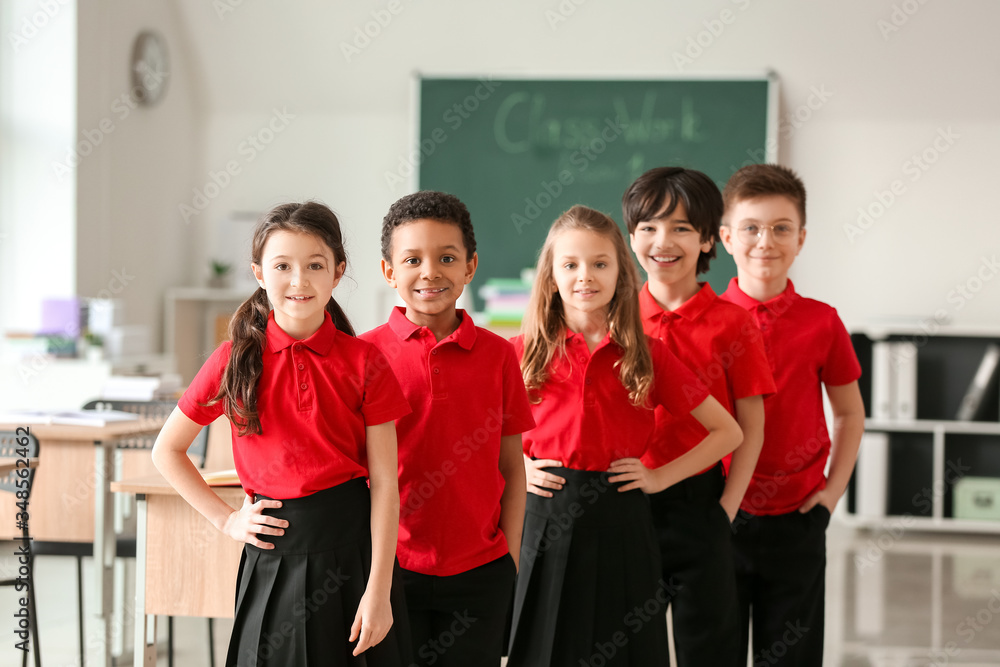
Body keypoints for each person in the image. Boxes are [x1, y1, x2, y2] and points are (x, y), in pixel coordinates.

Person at [151, 201, 413, 666]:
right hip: (273, 553)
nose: (299, 280)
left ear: (338, 272)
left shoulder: (366, 362)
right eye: (282, 266)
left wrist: (379, 591)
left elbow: (387, 485)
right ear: (258, 273)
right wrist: (227, 520)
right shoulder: (234, 360)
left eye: (315, 265)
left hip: (353, 553)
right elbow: (167, 451)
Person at [507, 205, 742, 666]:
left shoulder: (648, 354)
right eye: (570, 265)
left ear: (621, 272)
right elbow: (481, 435)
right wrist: (521, 467)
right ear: (551, 277)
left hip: (624, 518)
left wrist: (658, 478)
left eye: (600, 263)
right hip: (544, 518)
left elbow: (727, 431)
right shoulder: (521, 352)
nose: (585, 276)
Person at [359, 191, 534, 666]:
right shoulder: (363, 356)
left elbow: (512, 469)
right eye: (412, 259)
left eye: (447, 258)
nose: (430, 271)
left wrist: (511, 558)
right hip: (390, 570)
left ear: (470, 267)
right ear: (389, 271)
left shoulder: (499, 356)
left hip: (481, 572)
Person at [621, 166, 776, 666]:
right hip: (624, 501)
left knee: (709, 644)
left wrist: (727, 507)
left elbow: (751, 426)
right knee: (626, 644)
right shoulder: (614, 317)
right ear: (630, 236)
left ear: (710, 238)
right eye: (648, 227)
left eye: (682, 228)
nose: (662, 241)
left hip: (699, 504)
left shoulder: (733, 323)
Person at [717, 164, 866, 665]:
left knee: (793, 654)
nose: (766, 241)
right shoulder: (705, 322)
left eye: (782, 228)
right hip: (720, 514)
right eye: (751, 228)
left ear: (801, 238)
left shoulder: (821, 322)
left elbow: (849, 413)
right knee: (717, 649)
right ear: (725, 237)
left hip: (799, 517)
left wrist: (829, 497)